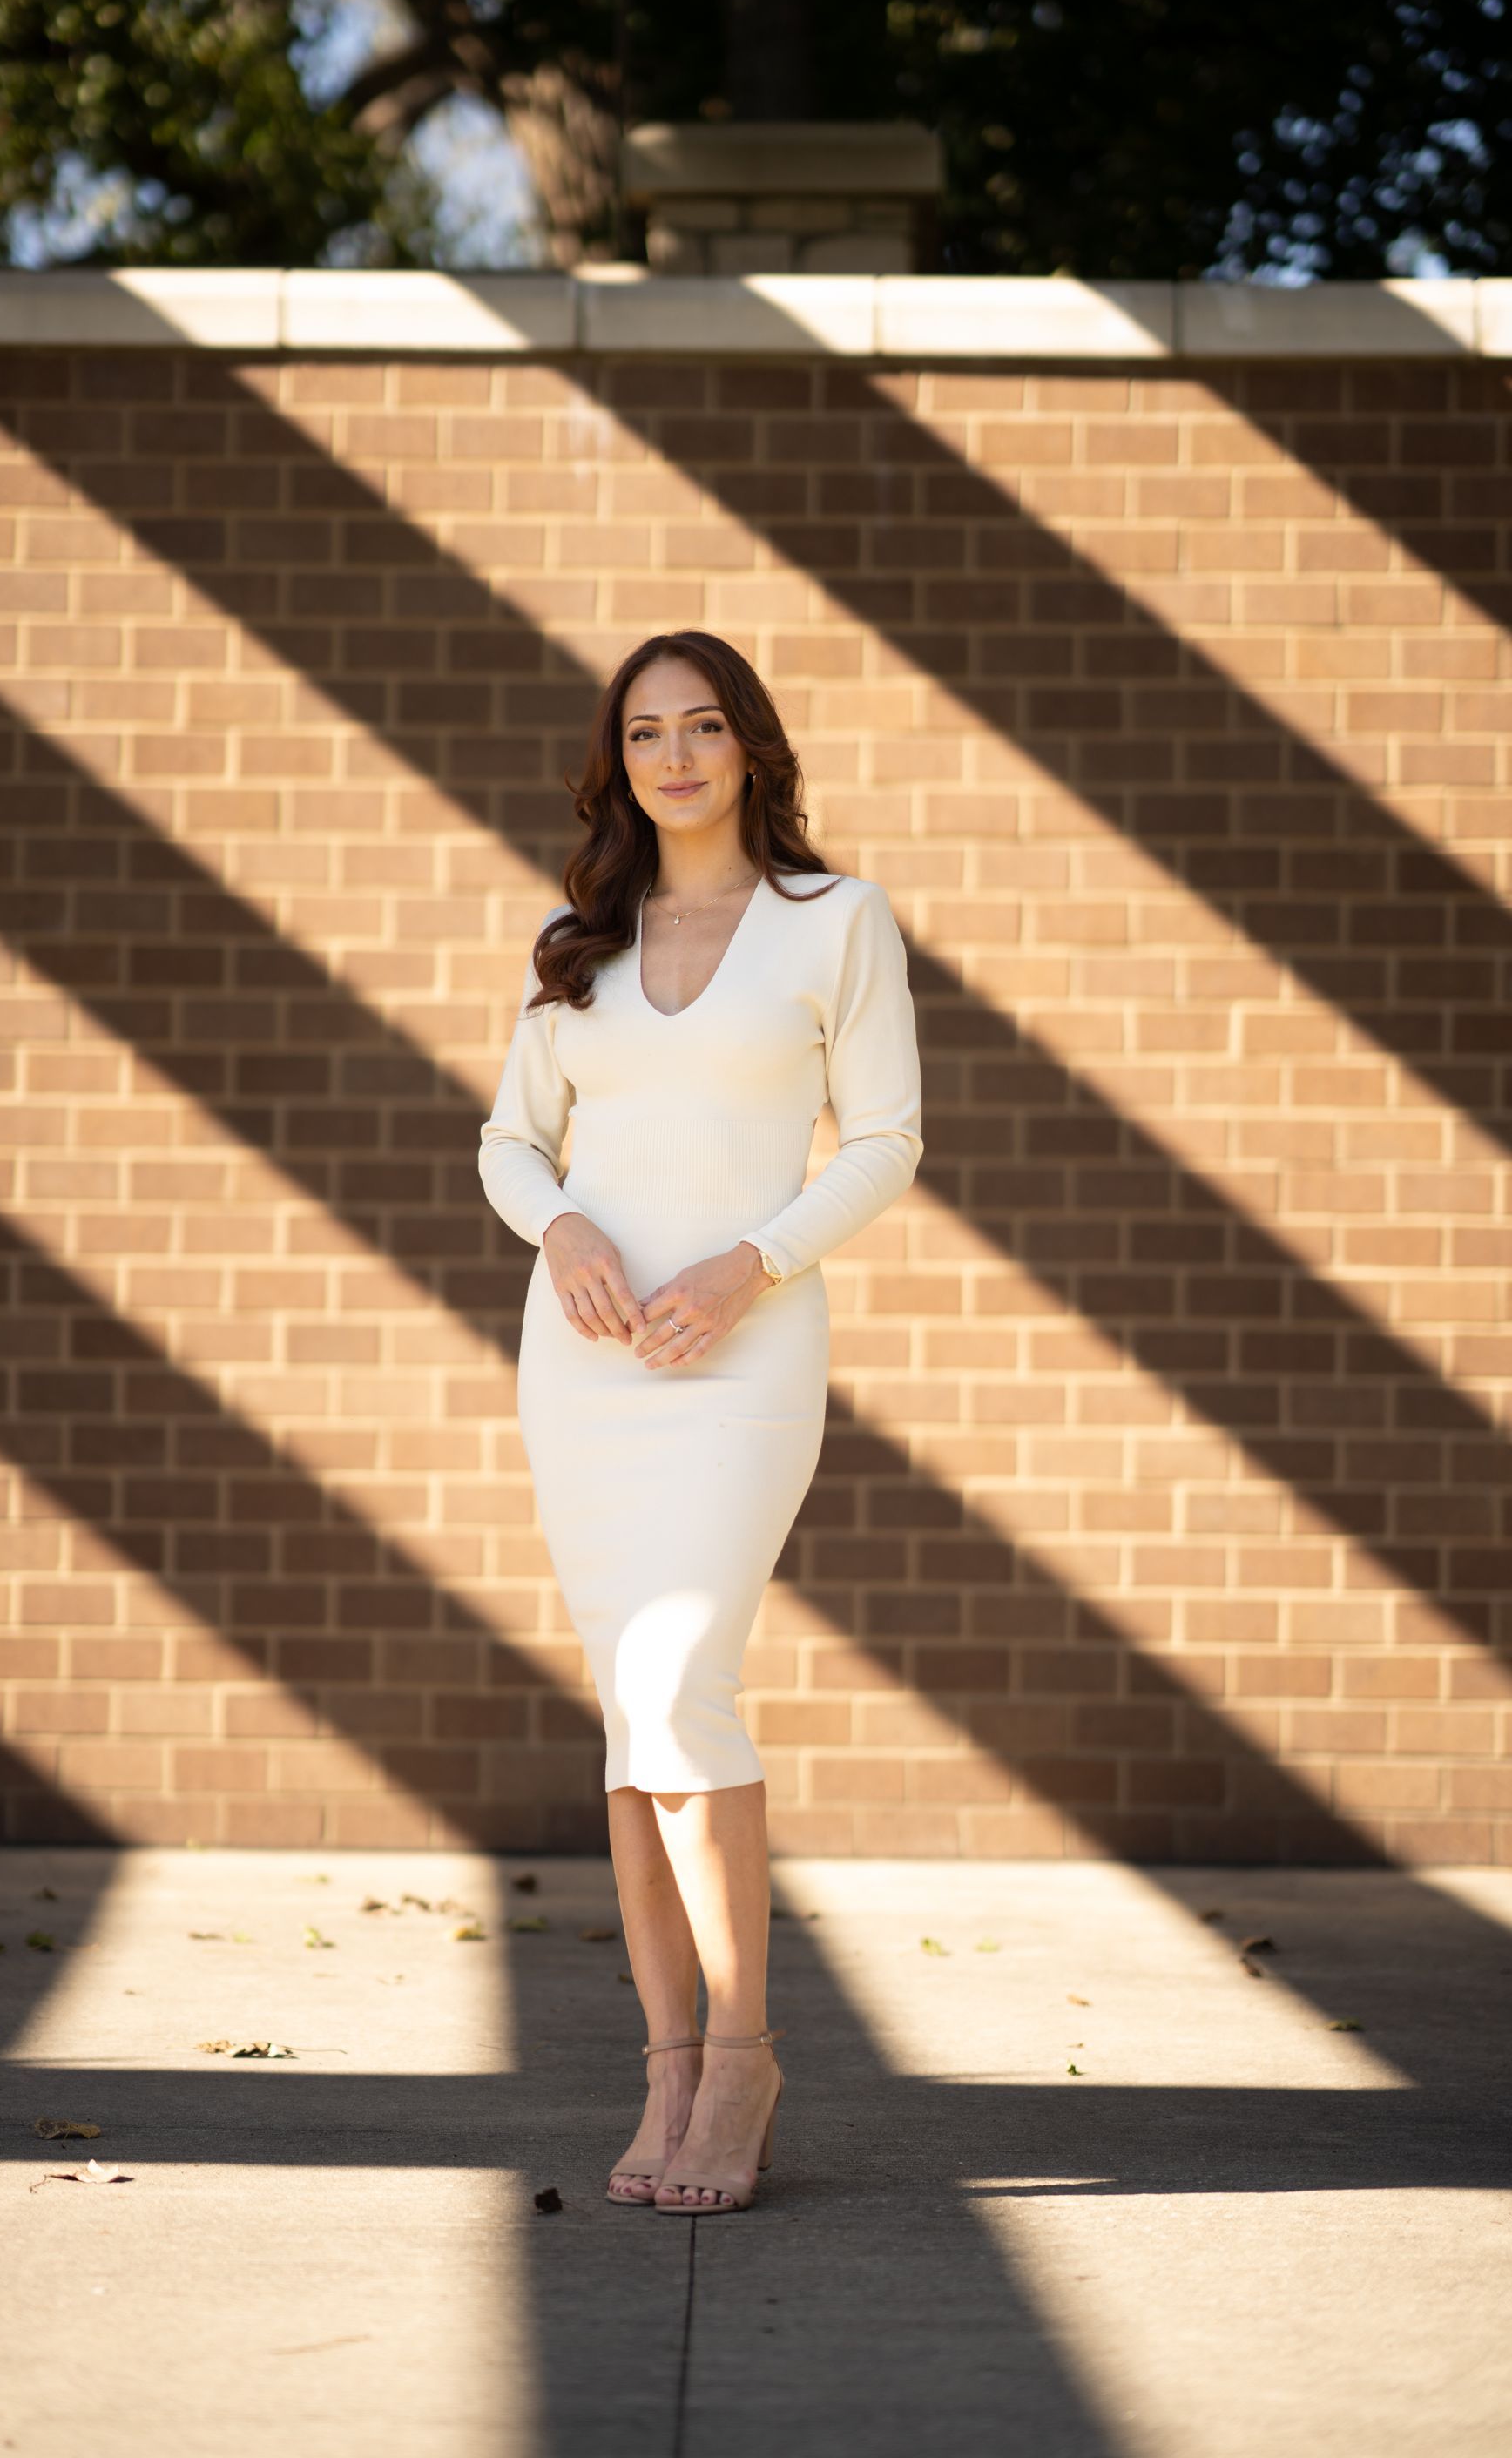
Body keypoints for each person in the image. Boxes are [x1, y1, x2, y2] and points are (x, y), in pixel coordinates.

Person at [477, 630, 922, 2213]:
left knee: (680, 1684)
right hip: (584, 1362)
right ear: (622, 763)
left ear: (750, 749)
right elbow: (510, 1142)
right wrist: (566, 1233)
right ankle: (668, 2078)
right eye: (647, 732)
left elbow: (885, 1138)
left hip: (744, 1358)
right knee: (631, 1718)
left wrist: (753, 1262)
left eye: (705, 726)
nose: (676, 756)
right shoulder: (576, 942)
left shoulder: (833, 922)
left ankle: (743, 2058)